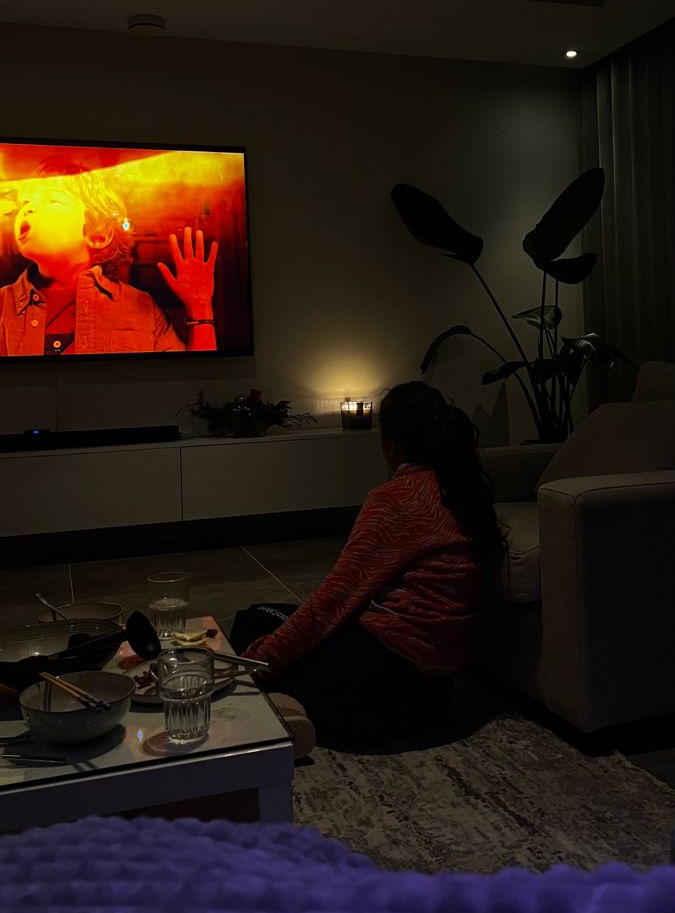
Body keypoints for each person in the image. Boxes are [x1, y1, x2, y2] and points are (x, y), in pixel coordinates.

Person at [230, 380, 507, 747]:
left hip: (384, 680)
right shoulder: (466, 488)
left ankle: (285, 709)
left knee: (253, 621)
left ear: (391, 444)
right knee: (287, 631)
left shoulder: (397, 497)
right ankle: (289, 705)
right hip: (438, 693)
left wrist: (261, 662)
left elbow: (335, 598)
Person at [0, 158, 218, 355]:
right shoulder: (2, 305)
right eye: (26, 203)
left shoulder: (140, 307)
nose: (28, 210)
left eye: (53, 201)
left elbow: (190, 381)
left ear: (99, 235)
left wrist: (200, 306)